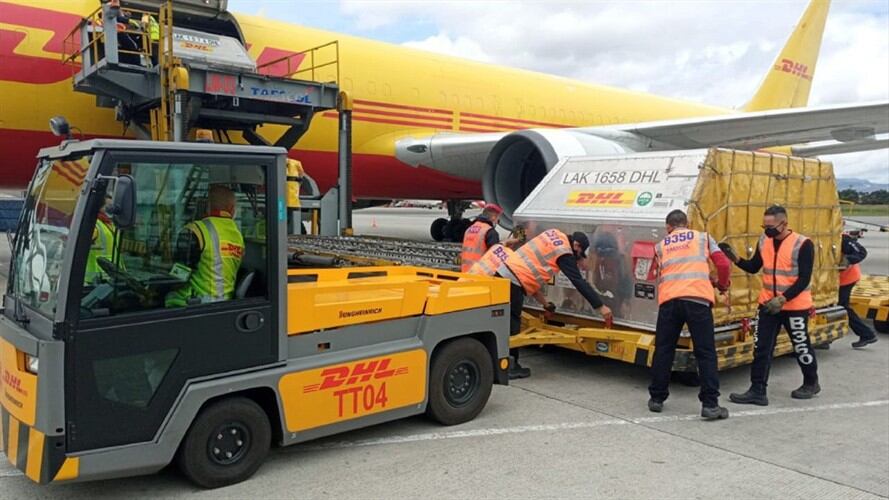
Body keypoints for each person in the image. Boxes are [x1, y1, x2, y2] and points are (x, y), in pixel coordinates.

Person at [719, 205, 820, 406]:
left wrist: (783, 299)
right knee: (761, 348)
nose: (767, 230)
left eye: (771, 227)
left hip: (794, 306)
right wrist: (736, 259)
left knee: (801, 345)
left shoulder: (803, 244)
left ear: (784, 223)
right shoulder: (764, 240)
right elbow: (753, 267)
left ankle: (811, 382)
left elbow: (804, 279)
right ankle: (757, 390)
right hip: (767, 305)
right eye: (764, 226)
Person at [496, 229, 613, 379]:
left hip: (503, 273)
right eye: (578, 254)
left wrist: (545, 304)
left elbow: (530, 271)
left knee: (502, 321)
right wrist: (600, 306)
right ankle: (510, 367)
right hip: (514, 281)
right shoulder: (564, 253)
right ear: (576, 245)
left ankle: (501, 362)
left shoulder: (554, 234)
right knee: (512, 324)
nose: (576, 258)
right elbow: (578, 281)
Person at [647, 210, 731, 420]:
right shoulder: (703, 238)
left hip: (670, 301)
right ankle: (710, 404)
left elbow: (654, 274)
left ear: (668, 227)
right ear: (687, 223)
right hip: (697, 301)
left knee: (664, 350)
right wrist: (721, 284)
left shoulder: (661, 246)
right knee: (705, 352)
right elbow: (723, 263)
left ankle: (657, 398)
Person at [165, 185, 245, 307]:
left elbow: (179, 276)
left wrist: (159, 286)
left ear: (206, 206)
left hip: (189, 303)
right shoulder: (238, 235)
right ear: (232, 209)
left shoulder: (195, 230)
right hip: (225, 303)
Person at [469, 243, 556, 317]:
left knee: (495, 311)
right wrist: (546, 305)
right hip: (503, 283)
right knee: (512, 315)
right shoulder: (517, 260)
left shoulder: (498, 248)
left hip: (476, 283)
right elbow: (532, 289)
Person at [839, 231, 878, 348]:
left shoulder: (842, 238)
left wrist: (848, 259)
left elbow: (861, 252)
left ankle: (867, 334)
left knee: (842, 306)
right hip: (835, 280)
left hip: (846, 279)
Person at [460, 204, 517, 272]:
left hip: (466, 271)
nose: (497, 222)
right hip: (480, 273)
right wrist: (506, 244)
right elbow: (495, 255)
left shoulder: (469, 229)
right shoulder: (490, 232)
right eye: (498, 219)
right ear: (493, 217)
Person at [84, 194, 119, 284]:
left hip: (112, 277)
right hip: (97, 280)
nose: (111, 210)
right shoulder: (95, 225)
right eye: (108, 207)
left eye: (112, 207)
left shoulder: (111, 224)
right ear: (99, 208)